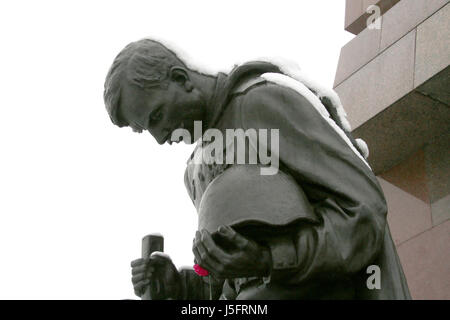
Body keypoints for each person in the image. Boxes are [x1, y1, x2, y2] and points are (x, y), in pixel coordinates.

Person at [103, 38, 411, 299]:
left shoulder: (262, 102)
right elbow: (233, 284)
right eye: (145, 129)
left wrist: (270, 260)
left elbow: (364, 211)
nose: (159, 138)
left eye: (156, 116)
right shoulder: (194, 172)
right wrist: (182, 287)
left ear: (181, 79)